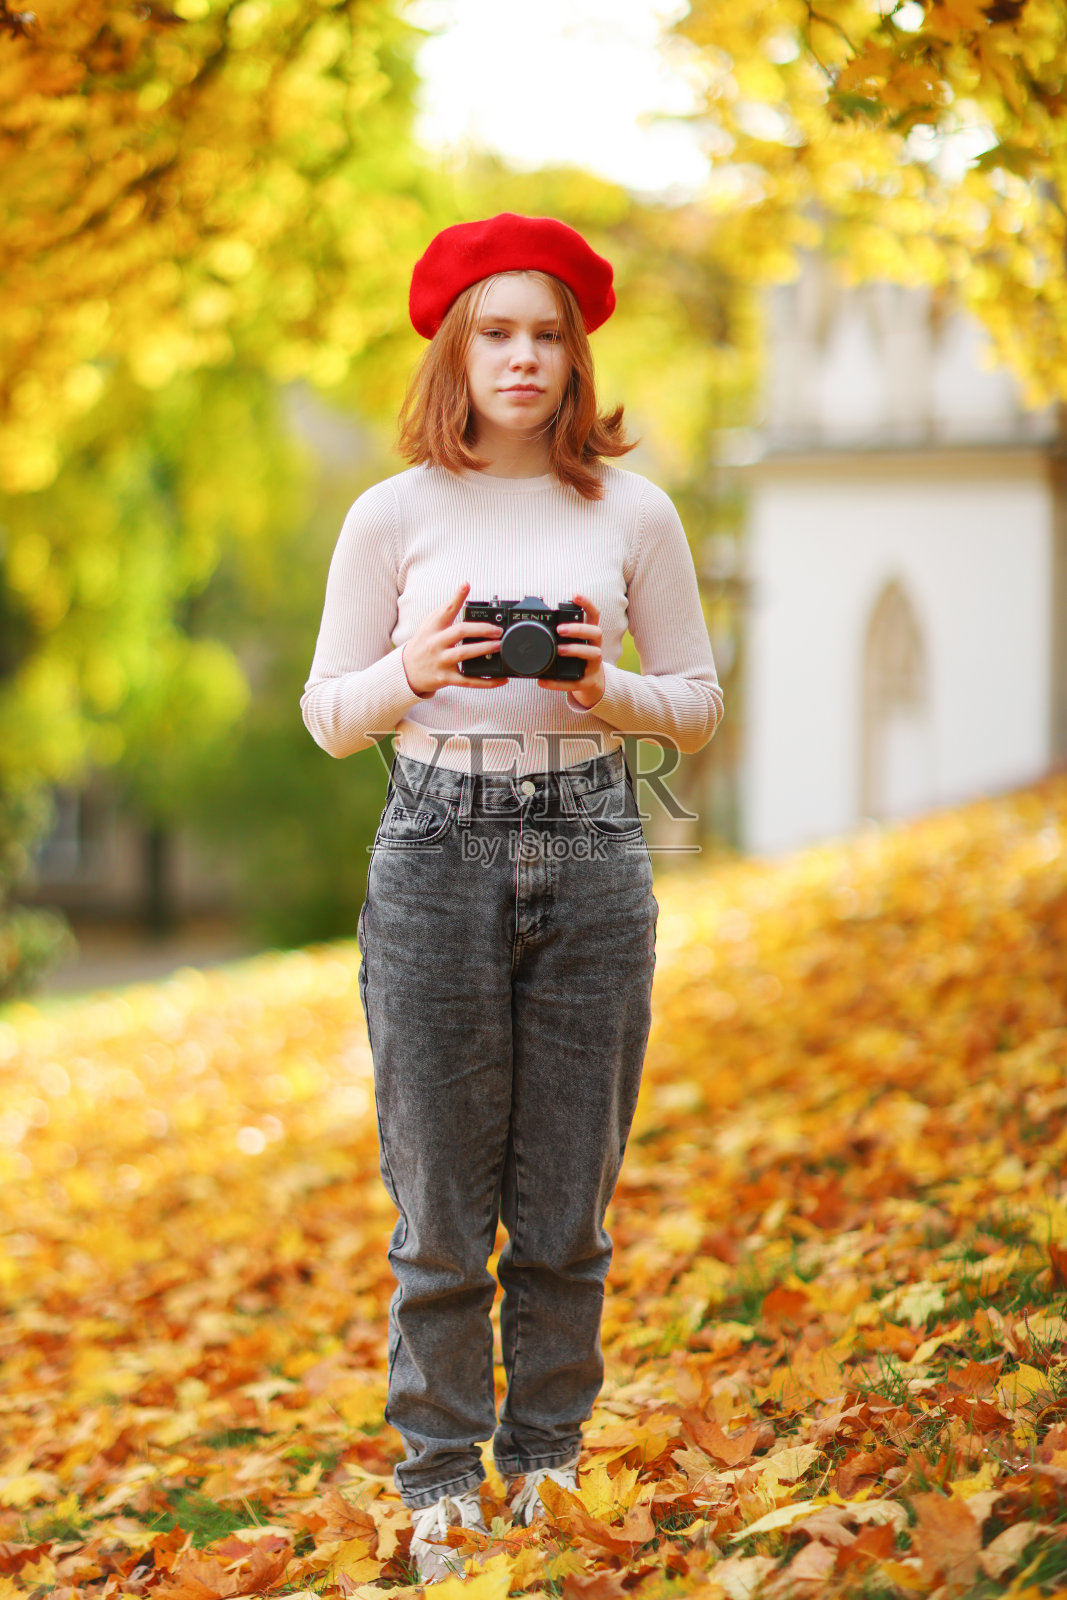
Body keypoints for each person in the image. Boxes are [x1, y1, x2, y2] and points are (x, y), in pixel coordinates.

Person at [301, 212, 723, 1583]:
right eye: (497, 332)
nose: (525, 359)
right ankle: (437, 1480)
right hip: (434, 848)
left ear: (580, 353)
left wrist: (611, 691)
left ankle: (546, 1464)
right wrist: (415, 666)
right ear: (455, 348)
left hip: (595, 847)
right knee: (436, 1208)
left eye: (549, 334)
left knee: (566, 1207)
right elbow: (324, 717)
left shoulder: (635, 511)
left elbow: (703, 709)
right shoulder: (392, 514)